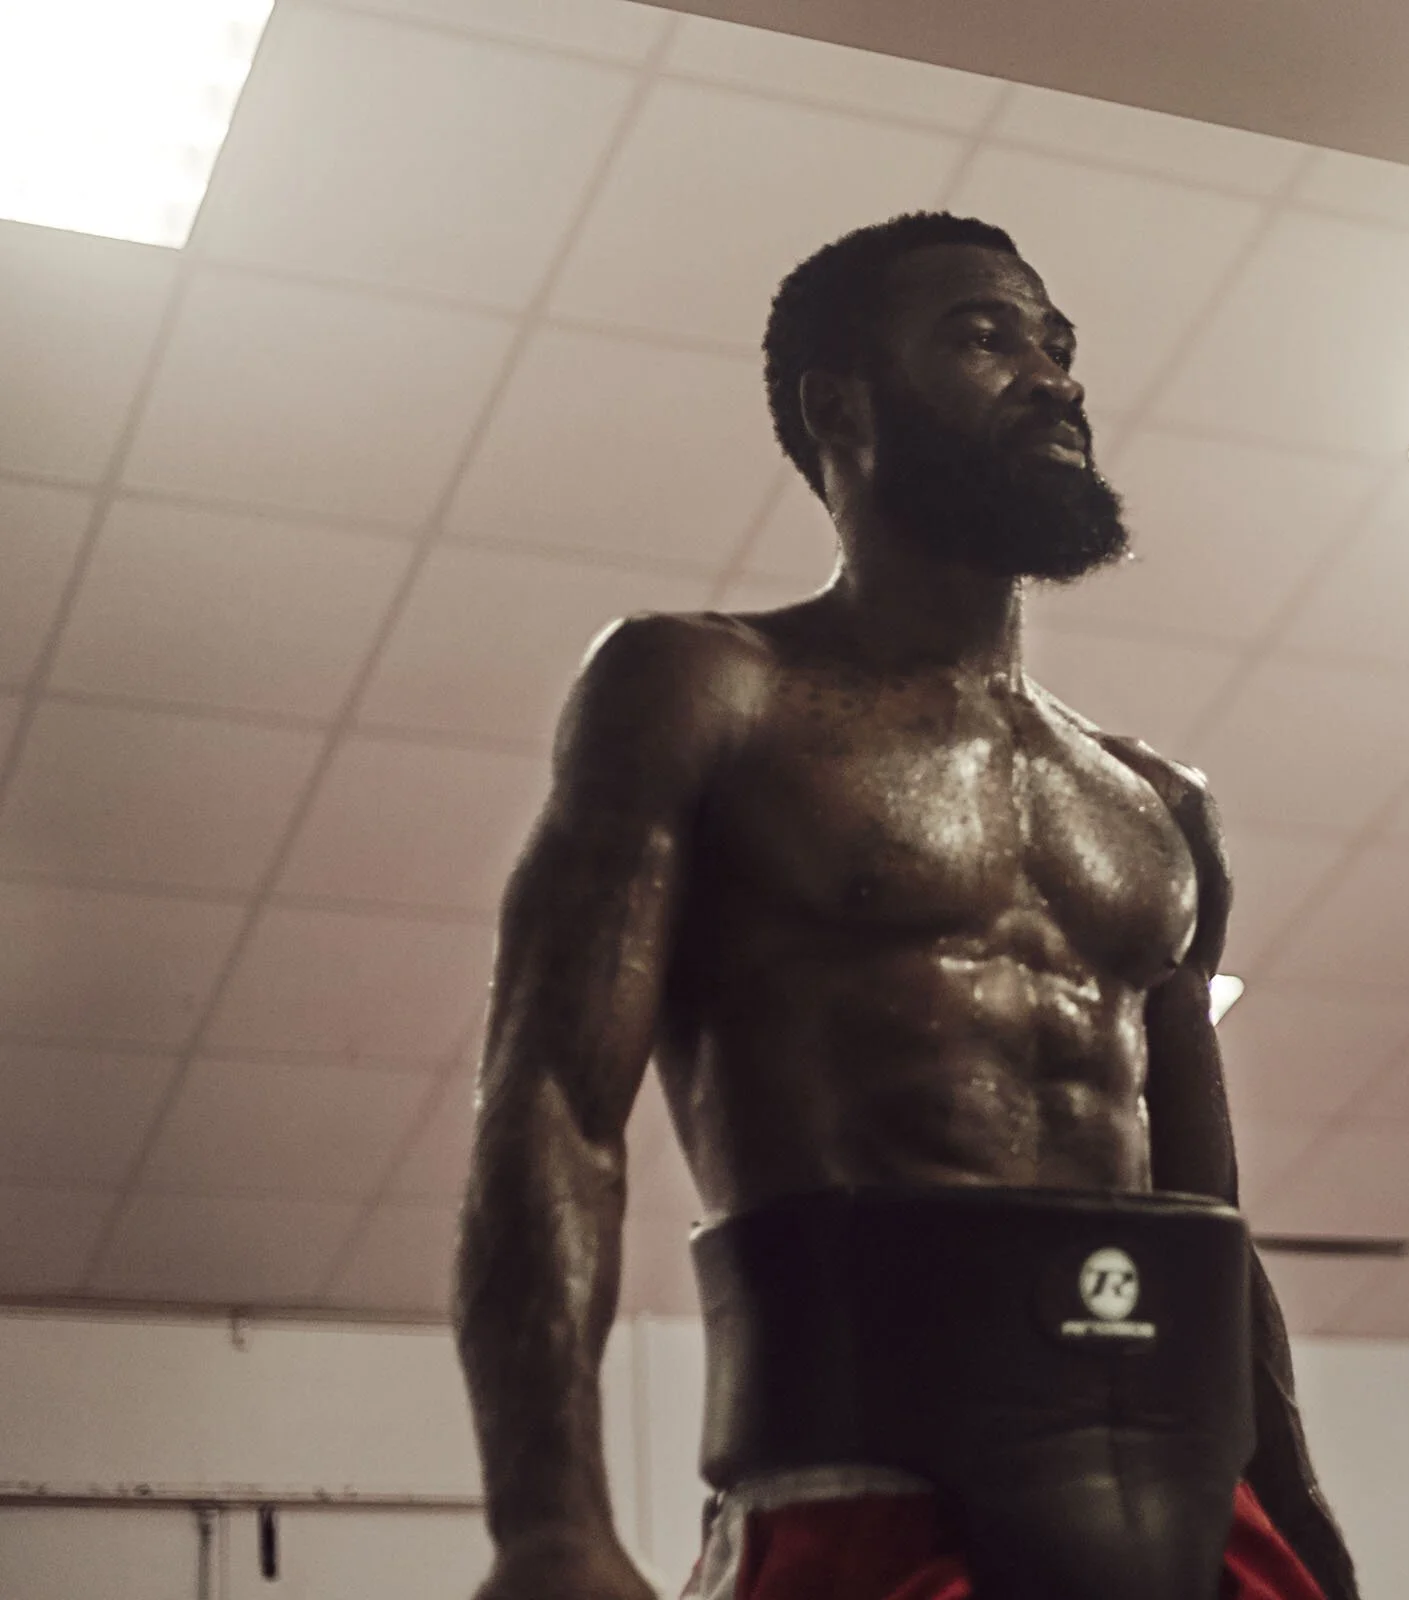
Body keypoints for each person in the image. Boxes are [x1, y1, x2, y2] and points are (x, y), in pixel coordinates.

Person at [453, 211, 1358, 1600]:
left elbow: (1203, 1216)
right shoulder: (705, 691)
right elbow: (553, 1108)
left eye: (1057, 343)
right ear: (841, 407)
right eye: (984, 336)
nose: (1052, 376)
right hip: (866, 1496)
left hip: (1194, 1508)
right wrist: (547, 1526)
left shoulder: (1156, 808)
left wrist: (1295, 1507)